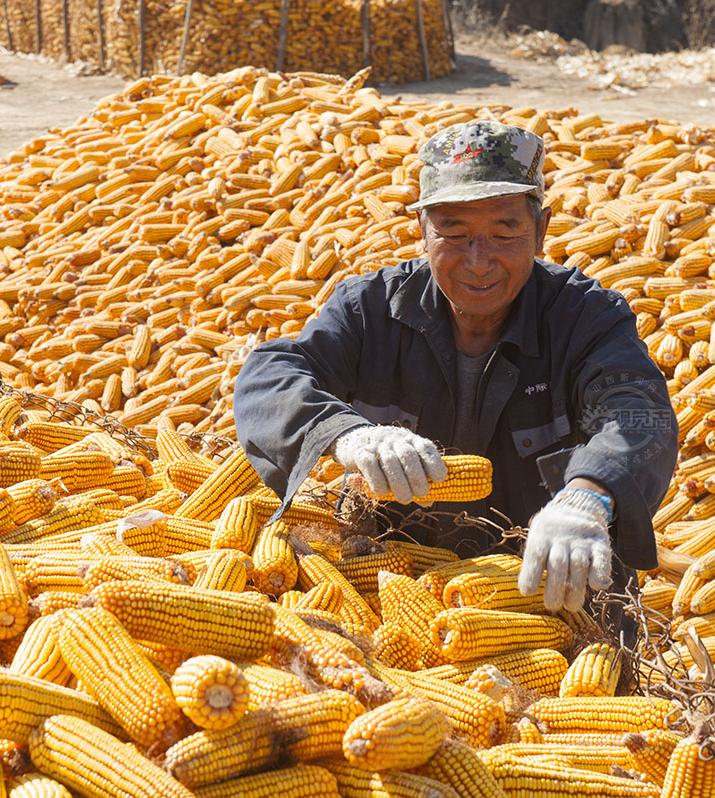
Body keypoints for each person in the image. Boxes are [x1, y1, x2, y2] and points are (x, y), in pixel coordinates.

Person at [233, 121, 678, 615]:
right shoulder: (372, 309)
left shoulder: (585, 318)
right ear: (420, 230)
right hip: (400, 590)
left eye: (505, 232)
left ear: (541, 230)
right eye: (455, 232)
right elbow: (269, 374)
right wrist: (345, 434)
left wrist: (589, 495)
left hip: (547, 594)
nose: (479, 261)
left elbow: (639, 416)